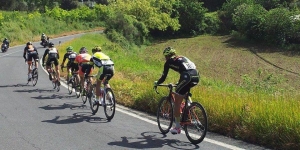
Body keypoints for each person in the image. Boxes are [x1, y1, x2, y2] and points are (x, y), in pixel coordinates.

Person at [154, 46, 200, 134]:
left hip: (186, 77)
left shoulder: (168, 62)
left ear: (167, 56)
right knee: (183, 89)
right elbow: (192, 66)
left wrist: (157, 83)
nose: (165, 58)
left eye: (165, 57)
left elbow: (163, 77)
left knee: (176, 103)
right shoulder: (183, 57)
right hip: (196, 75)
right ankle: (189, 105)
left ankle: (177, 127)